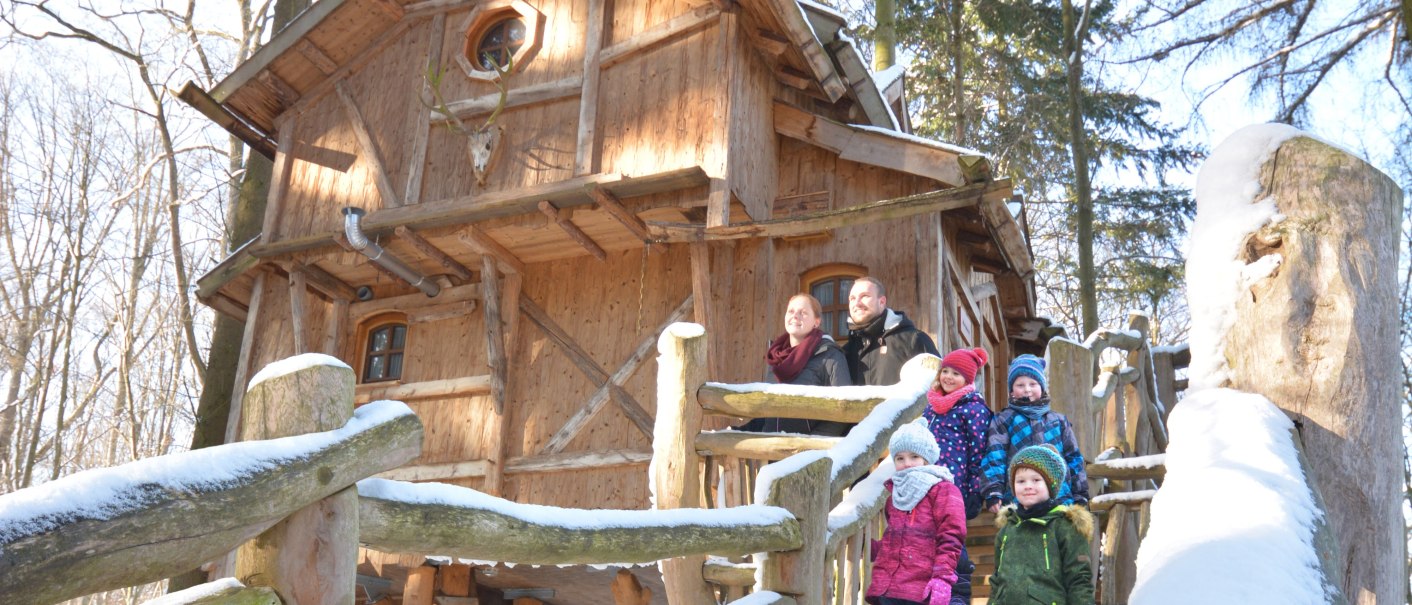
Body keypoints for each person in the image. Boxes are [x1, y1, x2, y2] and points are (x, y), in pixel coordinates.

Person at [866, 421, 966, 605]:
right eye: (900, 458)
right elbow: (898, 543)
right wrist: (868, 548)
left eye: (914, 456)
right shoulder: (894, 497)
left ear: (926, 459)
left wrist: (942, 578)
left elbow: (951, 537)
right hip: (889, 589)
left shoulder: (943, 490)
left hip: (921, 590)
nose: (907, 464)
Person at [921, 346, 993, 605]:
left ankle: (957, 590)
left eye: (956, 374)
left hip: (955, 487)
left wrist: (975, 489)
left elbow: (979, 451)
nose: (948, 377)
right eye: (946, 371)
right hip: (927, 484)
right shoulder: (931, 406)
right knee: (928, 536)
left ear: (968, 380)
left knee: (951, 537)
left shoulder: (973, 408)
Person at [981, 354, 1089, 512]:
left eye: (1033, 383)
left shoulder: (1058, 421)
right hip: (1018, 498)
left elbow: (1073, 457)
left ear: (1042, 387)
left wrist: (1080, 493)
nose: (1027, 390)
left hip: (1059, 497)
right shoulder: (1003, 420)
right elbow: (995, 456)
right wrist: (993, 491)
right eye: (1020, 385)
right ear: (1011, 390)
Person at [990, 444, 1094, 605]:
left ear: (1051, 485)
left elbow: (1079, 580)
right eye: (1021, 481)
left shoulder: (1065, 526)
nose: (1028, 486)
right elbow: (997, 582)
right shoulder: (1007, 529)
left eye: (1036, 480)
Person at [740, 293, 852, 435]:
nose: (795, 316)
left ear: (816, 322)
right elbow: (770, 412)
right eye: (791, 311)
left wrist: (810, 445)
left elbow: (842, 411)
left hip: (809, 453)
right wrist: (742, 430)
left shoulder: (830, 355)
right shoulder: (776, 357)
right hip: (774, 451)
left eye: (803, 313)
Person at [843, 277, 939, 387]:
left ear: (882, 302)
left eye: (865, 296)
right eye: (852, 298)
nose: (857, 303)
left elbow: (938, 389)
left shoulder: (913, 340)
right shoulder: (846, 352)